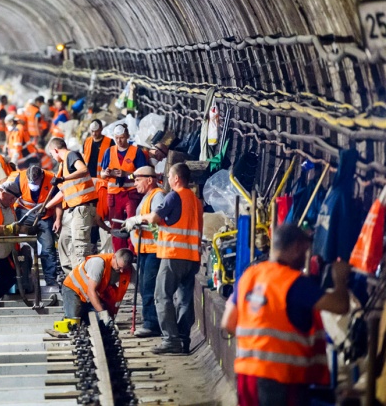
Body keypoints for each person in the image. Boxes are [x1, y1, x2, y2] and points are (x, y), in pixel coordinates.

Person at [221, 224, 350, 406]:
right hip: (280, 379)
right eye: (305, 252)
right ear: (296, 247)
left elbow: (228, 323)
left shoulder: (249, 276)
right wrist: (340, 279)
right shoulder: (294, 282)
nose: (305, 258)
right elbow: (340, 306)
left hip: (246, 376)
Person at [126, 163, 202, 354]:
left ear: (176, 178)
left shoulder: (174, 196)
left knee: (162, 295)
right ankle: (183, 338)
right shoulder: (195, 199)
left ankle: (170, 339)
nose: (167, 179)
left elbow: (154, 218)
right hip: (192, 257)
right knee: (185, 299)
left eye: (169, 176)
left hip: (173, 255)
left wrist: (136, 220)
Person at [123, 166, 166, 338]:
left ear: (149, 179)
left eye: (138, 179)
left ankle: (151, 324)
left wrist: (137, 221)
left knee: (149, 287)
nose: (135, 183)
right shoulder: (147, 197)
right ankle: (149, 320)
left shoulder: (157, 195)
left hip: (154, 249)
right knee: (145, 286)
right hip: (144, 249)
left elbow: (157, 218)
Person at [45, 137, 97, 276]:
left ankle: (84, 283)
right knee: (64, 241)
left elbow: (83, 169)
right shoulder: (63, 167)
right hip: (72, 210)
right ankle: (72, 278)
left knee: (80, 247)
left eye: (52, 154)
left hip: (82, 208)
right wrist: (45, 207)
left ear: (55, 150)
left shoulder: (71, 155)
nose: (53, 157)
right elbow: (63, 193)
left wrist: (63, 179)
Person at [100, 123, 148, 251]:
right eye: (116, 138)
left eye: (121, 137)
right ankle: (120, 253)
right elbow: (102, 174)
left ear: (127, 135)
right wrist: (106, 173)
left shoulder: (136, 152)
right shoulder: (109, 152)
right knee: (116, 225)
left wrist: (127, 175)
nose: (119, 141)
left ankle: (132, 252)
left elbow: (143, 173)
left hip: (131, 193)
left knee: (132, 222)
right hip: (114, 195)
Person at [12, 164, 61, 287]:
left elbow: (59, 201)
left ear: (41, 176)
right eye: (31, 182)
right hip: (25, 214)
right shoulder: (20, 177)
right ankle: (26, 277)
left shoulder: (51, 179)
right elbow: (11, 198)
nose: (33, 184)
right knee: (23, 248)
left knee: (48, 248)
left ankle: (51, 279)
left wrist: (58, 219)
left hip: (45, 217)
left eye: (36, 182)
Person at [62, 249, 134, 324]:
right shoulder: (98, 263)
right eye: (119, 267)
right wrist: (102, 314)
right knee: (73, 323)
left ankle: (84, 316)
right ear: (114, 257)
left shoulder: (125, 268)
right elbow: (91, 291)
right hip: (73, 290)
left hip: (88, 295)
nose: (121, 271)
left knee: (101, 322)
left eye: (124, 268)